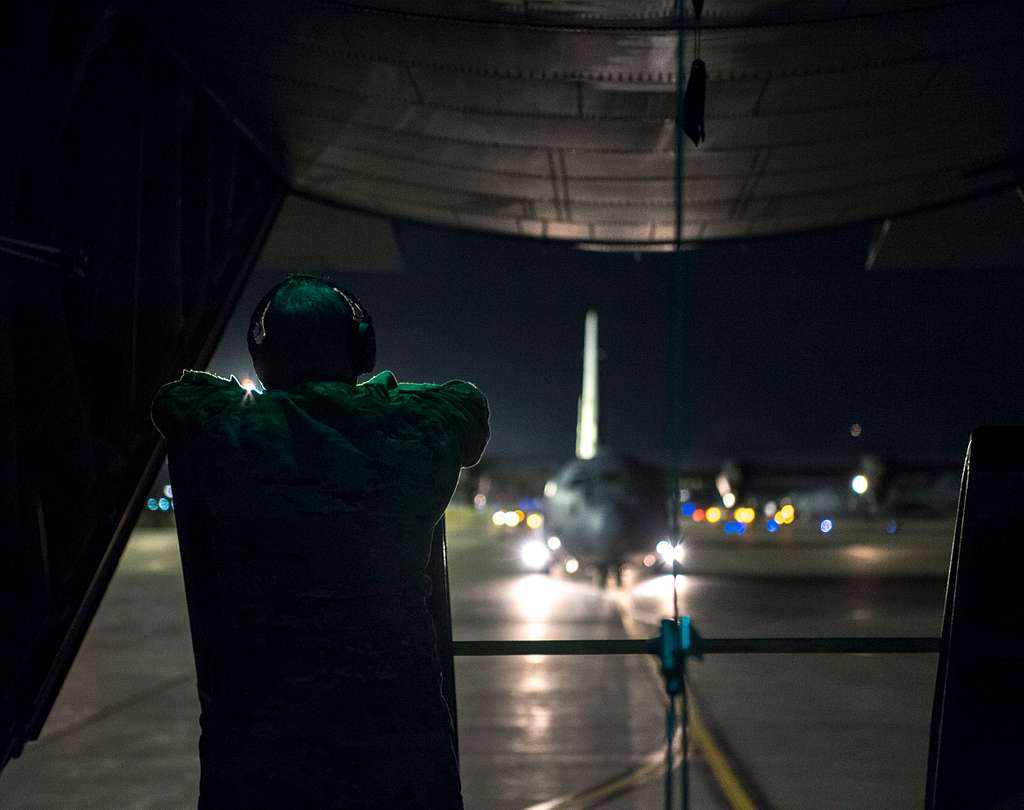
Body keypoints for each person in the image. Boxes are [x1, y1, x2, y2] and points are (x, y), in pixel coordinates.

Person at [151, 275, 489, 809]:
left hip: (258, 744)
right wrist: (370, 395)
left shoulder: (227, 432)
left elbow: (181, 397)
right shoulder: (412, 427)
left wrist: (291, 402)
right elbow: (464, 403)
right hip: (395, 740)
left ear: (263, 354)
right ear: (360, 347)